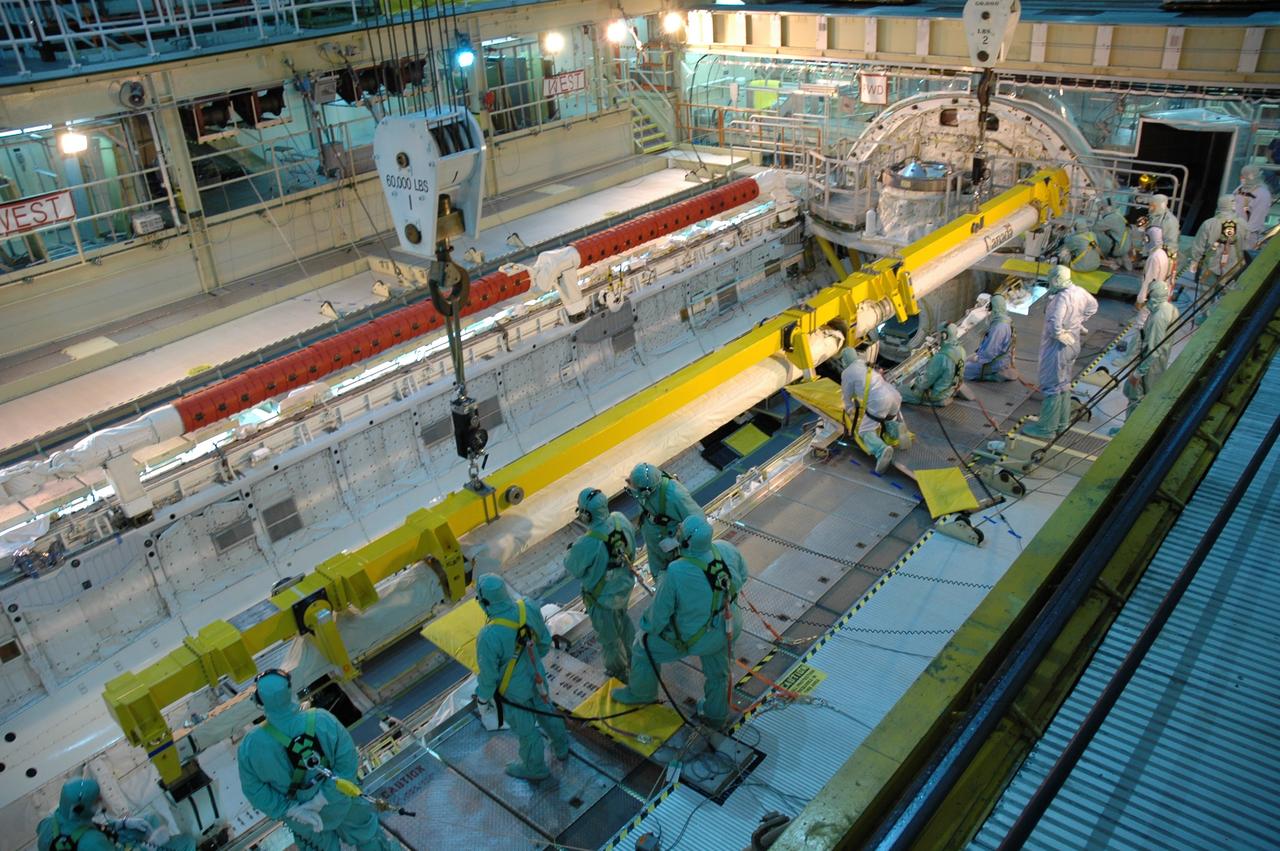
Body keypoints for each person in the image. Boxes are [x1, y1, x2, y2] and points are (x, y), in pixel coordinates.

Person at [611, 515, 747, 730]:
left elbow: (658, 615)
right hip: (728, 625)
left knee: (642, 649)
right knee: (718, 672)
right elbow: (743, 576)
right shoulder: (725, 548)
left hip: (698, 636)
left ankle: (642, 693)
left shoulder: (677, 571)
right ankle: (716, 715)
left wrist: (647, 629)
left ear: (686, 542)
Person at [237, 670, 395, 851]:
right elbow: (348, 762)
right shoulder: (322, 719)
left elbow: (254, 790)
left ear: (259, 700)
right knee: (370, 840)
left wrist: (292, 810)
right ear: (290, 691)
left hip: (304, 820)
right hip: (343, 802)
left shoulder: (250, 746)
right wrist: (323, 798)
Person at [473, 573, 570, 780]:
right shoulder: (528, 607)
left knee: (526, 730)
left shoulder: (488, 636)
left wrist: (483, 699)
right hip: (537, 676)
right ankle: (561, 746)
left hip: (514, 692)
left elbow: (488, 676)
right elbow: (544, 643)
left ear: (485, 601)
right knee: (547, 709)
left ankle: (535, 768)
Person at [564, 487, 637, 683]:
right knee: (624, 623)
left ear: (586, 515)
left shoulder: (587, 543)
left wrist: (574, 549)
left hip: (602, 599)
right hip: (623, 588)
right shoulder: (620, 519)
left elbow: (573, 567)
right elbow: (633, 550)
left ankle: (619, 675)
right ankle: (637, 660)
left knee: (610, 640)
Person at [1023, 265, 1097, 439]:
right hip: (1074, 343)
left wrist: (1060, 333)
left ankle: (1046, 429)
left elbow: (1056, 322)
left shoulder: (1061, 298)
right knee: (1064, 384)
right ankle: (1062, 422)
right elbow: (1093, 306)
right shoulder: (1079, 291)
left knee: (1051, 386)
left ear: (1056, 279)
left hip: (1058, 347)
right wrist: (1078, 323)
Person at [1118, 278, 1179, 430]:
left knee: (1136, 396)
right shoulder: (1169, 308)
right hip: (1157, 361)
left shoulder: (1159, 317)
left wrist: (1138, 373)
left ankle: (1129, 430)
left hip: (1149, 364)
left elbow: (1154, 348)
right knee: (1142, 395)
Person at [626, 462, 703, 576]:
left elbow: (699, 523)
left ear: (647, 490)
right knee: (658, 575)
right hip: (655, 542)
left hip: (670, 547)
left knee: (670, 578)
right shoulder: (648, 484)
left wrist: (676, 541)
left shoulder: (676, 496)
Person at [841, 353, 910, 474]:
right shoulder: (865, 364)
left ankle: (881, 450)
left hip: (880, 400)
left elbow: (847, 395)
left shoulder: (847, 372)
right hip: (893, 395)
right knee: (887, 420)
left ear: (844, 360)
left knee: (865, 431)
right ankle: (897, 429)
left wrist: (849, 408)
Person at [37, 778, 148, 851]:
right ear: (79, 809)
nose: (100, 802)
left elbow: (76, 828)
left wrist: (119, 824)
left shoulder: (47, 823)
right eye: (95, 801)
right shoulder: (92, 841)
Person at [1187, 194, 1245, 295]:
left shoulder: (1209, 223)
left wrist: (1195, 260)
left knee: (1206, 292)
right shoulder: (1242, 223)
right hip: (1233, 265)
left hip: (1211, 264)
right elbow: (1246, 245)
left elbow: (1198, 245)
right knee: (1227, 294)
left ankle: (1206, 310)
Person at [900, 323, 966, 407]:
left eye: (938, 335)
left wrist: (914, 383)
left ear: (944, 336)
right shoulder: (961, 350)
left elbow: (924, 383)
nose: (937, 338)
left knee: (899, 391)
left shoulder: (941, 357)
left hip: (937, 395)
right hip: (950, 390)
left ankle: (936, 401)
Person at [964, 294, 1016, 382]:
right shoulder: (1004, 320)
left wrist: (978, 358)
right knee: (966, 360)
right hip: (999, 357)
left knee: (964, 370)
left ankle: (994, 375)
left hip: (996, 362)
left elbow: (990, 351)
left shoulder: (999, 327)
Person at [1233, 163, 1272, 251]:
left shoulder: (1262, 194)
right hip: (1239, 234)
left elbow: (1255, 221)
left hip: (1242, 235)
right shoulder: (1241, 189)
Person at [1145, 194, 1181, 273]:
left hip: (1162, 258)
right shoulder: (1154, 216)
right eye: (1149, 205)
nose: (1150, 208)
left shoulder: (1170, 221)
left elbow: (1171, 244)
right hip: (1152, 255)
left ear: (1159, 205)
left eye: (1152, 206)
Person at [1094, 197, 1132, 269]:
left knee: (1094, 234)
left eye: (1101, 209)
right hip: (1126, 246)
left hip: (1118, 248)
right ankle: (1121, 258)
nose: (1101, 211)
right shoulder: (1119, 215)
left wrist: (1098, 215)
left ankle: (1107, 256)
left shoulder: (1110, 218)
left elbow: (1095, 228)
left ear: (1105, 208)